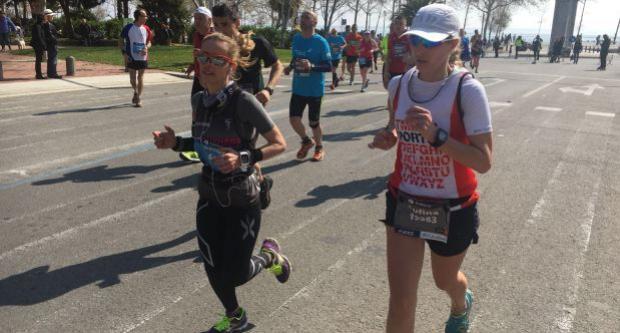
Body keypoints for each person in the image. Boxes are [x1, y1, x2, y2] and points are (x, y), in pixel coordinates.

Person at [152, 32, 290, 333]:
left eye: (216, 60)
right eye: (202, 56)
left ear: (231, 67)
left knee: (237, 274)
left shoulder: (245, 101)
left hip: (242, 199)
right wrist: (175, 143)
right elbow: (201, 148)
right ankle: (235, 315)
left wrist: (243, 158)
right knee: (212, 264)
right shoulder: (199, 100)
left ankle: (269, 257)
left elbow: (280, 144)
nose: (206, 64)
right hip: (208, 195)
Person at [368, 4, 492, 333]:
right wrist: (388, 137)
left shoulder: (468, 90)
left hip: (453, 207)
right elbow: (396, 129)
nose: (419, 49)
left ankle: (460, 301)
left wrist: (436, 136)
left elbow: (484, 160)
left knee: (444, 280)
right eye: (415, 40)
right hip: (405, 200)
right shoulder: (399, 85)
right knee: (401, 301)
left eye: (430, 42)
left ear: (454, 45)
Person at [284, 10, 331, 162]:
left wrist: (312, 67)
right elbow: (295, 57)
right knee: (293, 119)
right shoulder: (297, 38)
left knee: (313, 122)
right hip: (298, 87)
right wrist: (290, 67)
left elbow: (328, 66)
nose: (302, 20)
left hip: (314, 89)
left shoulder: (321, 42)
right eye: (302, 17)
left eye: (307, 17)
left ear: (315, 22)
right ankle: (306, 140)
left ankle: (319, 147)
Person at [179, 7, 213, 163]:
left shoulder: (215, 36)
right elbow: (197, 54)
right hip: (199, 78)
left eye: (200, 18)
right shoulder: (196, 35)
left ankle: (209, 146)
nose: (196, 22)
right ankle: (196, 146)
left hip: (212, 81)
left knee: (211, 114)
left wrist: (203, 54)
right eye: (195, 18)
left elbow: (221, 59)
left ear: (209, 21)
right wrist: (193, 65)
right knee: (195, 110)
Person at [121, 9, 153, 107]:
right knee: (132, 79)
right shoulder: (128, 27)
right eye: (144, 16)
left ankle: (138, 97)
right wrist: (124, 54)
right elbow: (120, 40)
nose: (146, 18)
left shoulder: (147, 29)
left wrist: (146, 48)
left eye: (146, 16)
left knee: (141, 77)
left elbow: (149, 42)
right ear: (138, 17)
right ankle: (135, 91)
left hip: (143, 57)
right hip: (131, 56)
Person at [383, 16, 410, 89]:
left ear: (405, 25)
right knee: (392, 92)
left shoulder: (409, 37)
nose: (398, 26)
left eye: (401, 24)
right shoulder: (391, 37)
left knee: (403, 93)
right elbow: (388, 55)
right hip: (393, 70)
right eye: (396, 24)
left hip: (405, 71)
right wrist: (386, 71)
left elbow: (413, 54)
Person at [30, 14, 47, 79]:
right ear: (41, 19)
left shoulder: (38, 25)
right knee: (38, 59)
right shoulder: (38, 26)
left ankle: (39, 74)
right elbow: (39, 37)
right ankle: (38, 74)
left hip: (37, 44)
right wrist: (43, 45)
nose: (44, 20)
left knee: (39, 59)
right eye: (44, 18)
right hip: (38, 45)